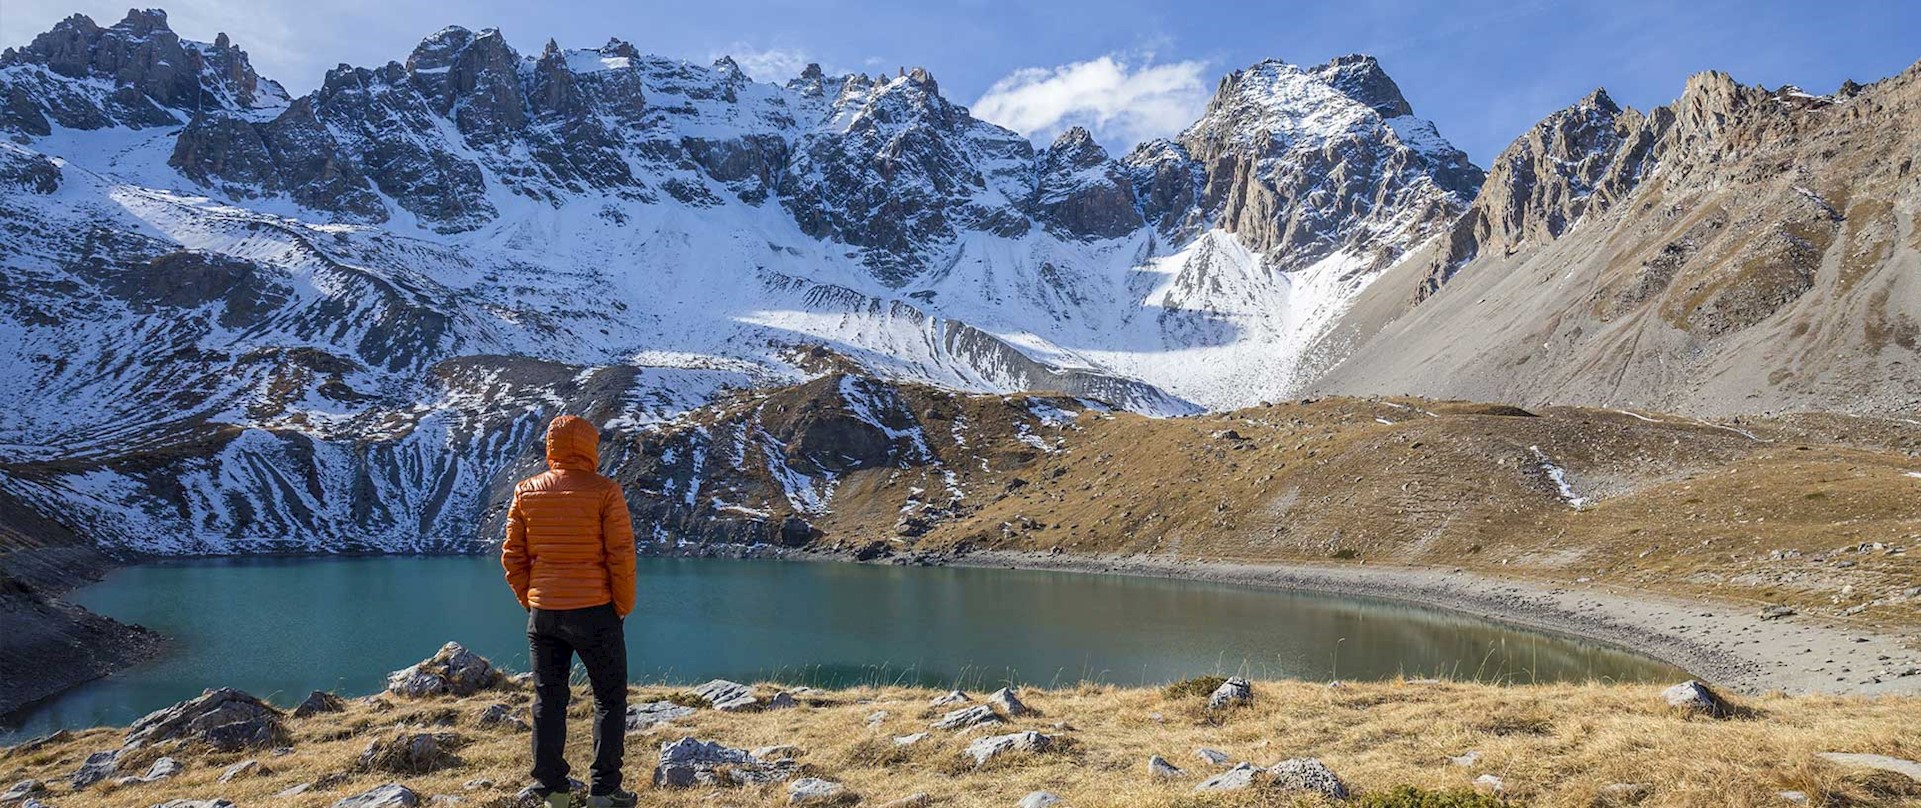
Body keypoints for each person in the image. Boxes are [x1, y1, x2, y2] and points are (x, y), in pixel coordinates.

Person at [502, 415, 638, 808]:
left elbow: (513, 555)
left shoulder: (526, 490)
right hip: (595, 611)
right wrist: (622, 605)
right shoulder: (605, 491)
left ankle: (553, 792)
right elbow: (621, 556)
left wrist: (531, 599)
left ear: (551, 447)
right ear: (590, 446)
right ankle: (604, 791)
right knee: (609, 699)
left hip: (543, 613)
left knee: (549, 698)